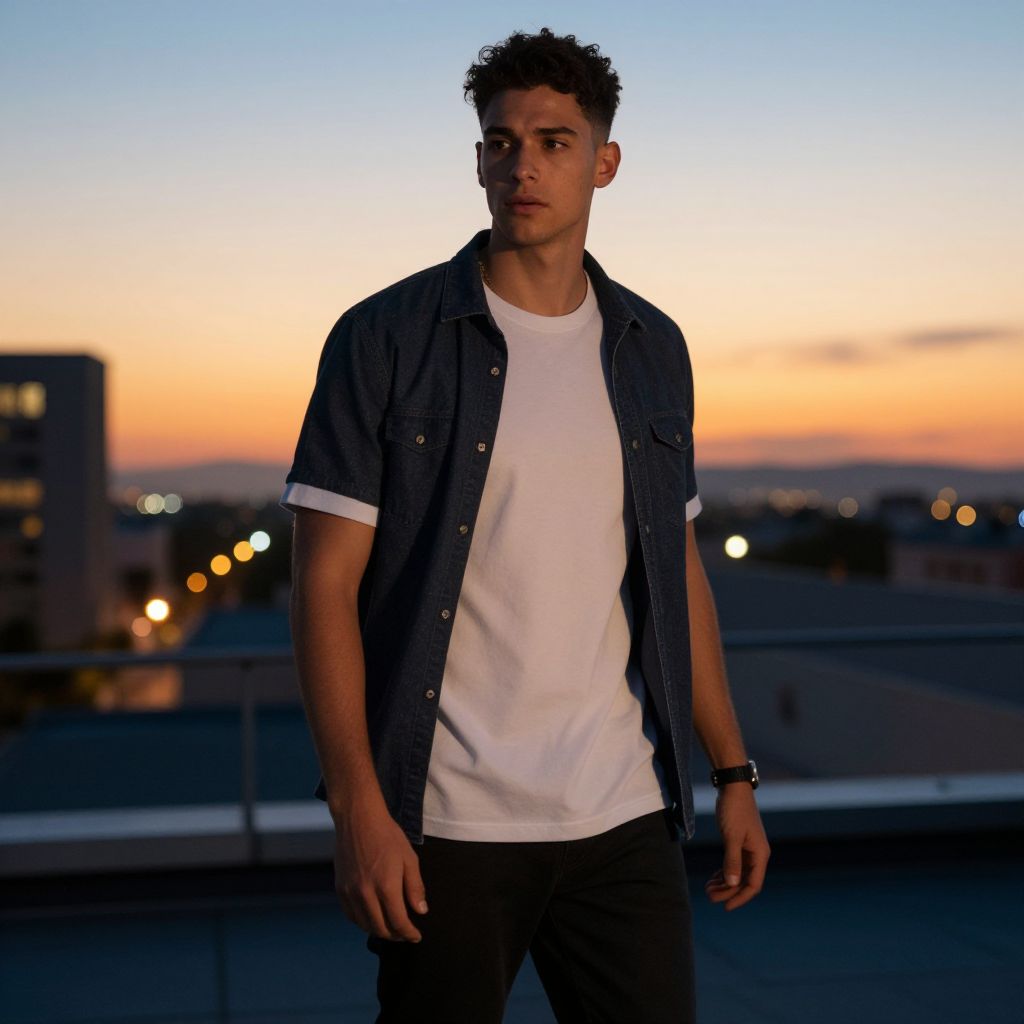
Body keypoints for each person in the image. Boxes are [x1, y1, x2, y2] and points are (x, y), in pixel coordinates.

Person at [280, 27, 769, 1023]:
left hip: (621, 812)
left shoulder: (651, 349)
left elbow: (675, 574)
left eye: (552, 140)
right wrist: (358, 810)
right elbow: (322, 586)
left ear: (604, 161)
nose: (523, 165)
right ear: (476, 160)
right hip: (447, 825)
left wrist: (731, 771)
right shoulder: (384, 339)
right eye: (501, 142)